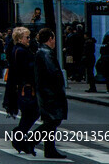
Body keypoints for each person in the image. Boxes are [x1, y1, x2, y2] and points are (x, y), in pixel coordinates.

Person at [33, 27, 68, 159]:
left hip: (46, 92)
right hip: (50, 94)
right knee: (53, 120)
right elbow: (53, 73)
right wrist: (59, 88)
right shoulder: (45, 53)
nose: (54, 42)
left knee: (51, 121)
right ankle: (29, 142)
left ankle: (49, 149)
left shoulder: (42, 52)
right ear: (50, 39)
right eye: (53, 38)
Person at [3, 27, 38, 155]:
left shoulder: (16, 50)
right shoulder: (21, 51)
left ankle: (19, 136)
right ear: (19, 39)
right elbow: (27, 70)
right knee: (32, 112)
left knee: (29, 114)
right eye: (27, 37)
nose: (29, 40)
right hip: (26, 88)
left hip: (22, 88)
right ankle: (18, 136)